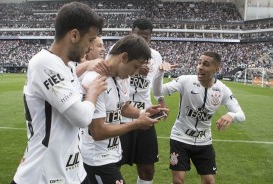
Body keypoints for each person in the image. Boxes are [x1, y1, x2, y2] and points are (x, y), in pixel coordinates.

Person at [11, 2, 107, 184]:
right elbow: (81, 118)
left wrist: (84, 94)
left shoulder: (67, 66)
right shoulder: (44, 63)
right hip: (44, 175)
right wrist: (93, 93)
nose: (89, 48)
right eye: (89, 40)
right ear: (74, 35)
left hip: (73, 172)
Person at [80, 34, 169, 184]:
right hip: (96, 160)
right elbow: (98, 132)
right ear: (124, 57)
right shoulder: (95, 80)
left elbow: (123, 107)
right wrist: (137, 124)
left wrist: (143, 112)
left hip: (113, 154)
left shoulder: (123, 78)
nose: (135, 73)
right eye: (135, 66)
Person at [153, 51, 246, 184]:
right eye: (199, 63)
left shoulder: (222, 90)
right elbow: (157, 91)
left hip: (204, 141)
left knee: (209, 181)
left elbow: (241, 115)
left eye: (206, 64)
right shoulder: (186, 80)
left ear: (217, 69)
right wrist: (159, 73)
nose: (200, 67)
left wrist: (231, 115)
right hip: (180, 138)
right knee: (178, 181)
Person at [116, 19, 172, 184]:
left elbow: (155, 86)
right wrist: (133, 69)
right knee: (113, 166)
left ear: (150, 37)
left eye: (145, 37)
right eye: (137, 35)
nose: (141, 40)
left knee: (147, 169)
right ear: (130, 33)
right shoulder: (117, 51)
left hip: (145, 117)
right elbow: (109, 77)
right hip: (120, 118)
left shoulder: (155, 56)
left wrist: (161, 99)